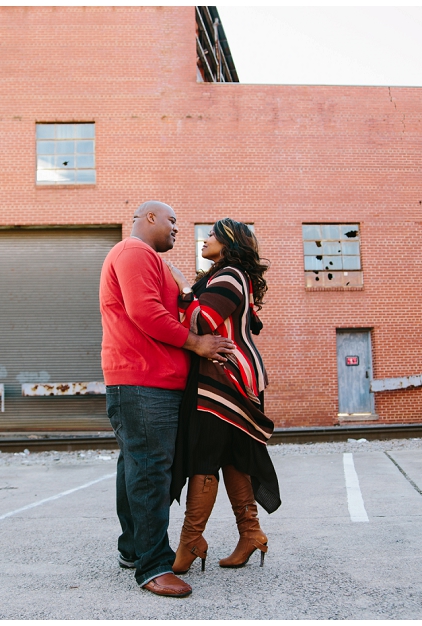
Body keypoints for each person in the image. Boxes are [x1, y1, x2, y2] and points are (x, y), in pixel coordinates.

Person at [99, 200, 236, 598]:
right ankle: (153, 566)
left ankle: (134, 551)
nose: (178, 229)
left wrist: (181, 284)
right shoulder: (133, 252)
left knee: (137, 468)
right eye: (173, 221)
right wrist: (197, 343)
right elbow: (145, 313)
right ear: (149, 218)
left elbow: (178, 305)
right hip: (142, 381)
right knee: (149, 472)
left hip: (149, 381)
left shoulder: (151, 261)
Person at [165, 217, 281, 575]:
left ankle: (190, 541)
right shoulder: (228, 276)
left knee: (204, 456)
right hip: (232, 376)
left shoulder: (229, 275)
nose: (205, 239)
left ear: (229, 242)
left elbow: (202, 323)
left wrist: (183, 285)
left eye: (212, 235)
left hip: (225, 377)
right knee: (233, 456)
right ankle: (251, 534)